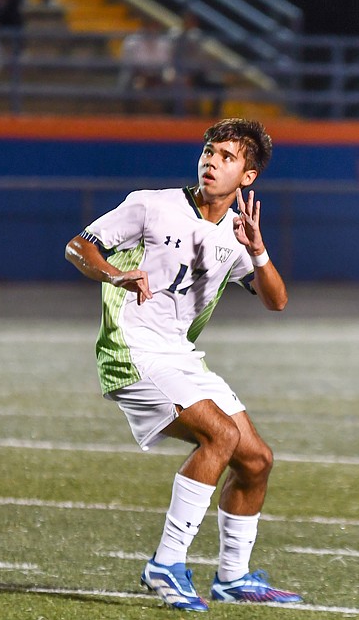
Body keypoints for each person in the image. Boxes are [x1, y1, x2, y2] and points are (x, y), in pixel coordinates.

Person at [64, 119, 303, 611]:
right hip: (131, 349)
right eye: (209, 152)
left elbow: (276, 301)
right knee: (222, 435)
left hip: (179, 355)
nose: (212, 161)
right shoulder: (151, 204)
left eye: (227, 157)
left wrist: (257, 250)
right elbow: (78, 246)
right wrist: (116, 273)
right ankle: (166, 563)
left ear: (248, 176)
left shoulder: (236, 236)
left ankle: (233, 576)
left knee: (256, 461)